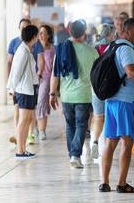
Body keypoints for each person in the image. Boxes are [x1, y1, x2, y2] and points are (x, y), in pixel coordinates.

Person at [99, 18, 134, 193]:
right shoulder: (126, 48)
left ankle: (104, 183)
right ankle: (121, 183)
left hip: (112, 100)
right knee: (127, 142)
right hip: (125, 101)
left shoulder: (113, 45)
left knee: (111, 142)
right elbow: (130, 72)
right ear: (127, 31)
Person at [50, 20, 99, 169]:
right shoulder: (92, 52)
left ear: (69, 31)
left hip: (66, 96)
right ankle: (75, 155)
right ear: (84, 33)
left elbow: (55, 74)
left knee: (70, 126)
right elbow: (97, 76)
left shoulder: (61, 50)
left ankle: (73, 155)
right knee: (81, 125)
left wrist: (52, 94)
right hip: (84, 95)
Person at [7, 18, 44, 145]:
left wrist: (38, 77)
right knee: (23, 118)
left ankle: (25, 141)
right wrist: (11, 88)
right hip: (23, 89)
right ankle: (20, 148)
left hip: (29, 88)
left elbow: (39, 62)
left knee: (27, 117)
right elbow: (15, 71)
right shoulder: (22, 50)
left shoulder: (28, 48)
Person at [90, 23, 115, 159]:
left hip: (95, 87)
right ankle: (106, 146)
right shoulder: (113, 47)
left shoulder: (94, 47)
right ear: (110, 34)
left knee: (98, 117)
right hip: (110, 87)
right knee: (110, 116)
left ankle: (94, 141)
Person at [35, 25, 55, 140]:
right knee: (35, 103)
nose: (41, 35)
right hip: (35, 79)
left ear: (48, 35)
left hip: (46, 78)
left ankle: (42, 130)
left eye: (43, 33)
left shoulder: (52, 48)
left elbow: (52, 67)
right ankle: (36, 128)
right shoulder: (34, 47)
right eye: (40, 33)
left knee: (41, 102)